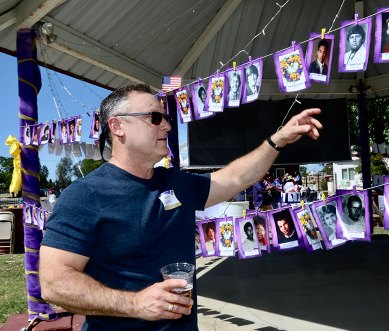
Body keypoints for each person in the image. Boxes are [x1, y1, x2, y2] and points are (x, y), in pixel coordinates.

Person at [39, 83, 322, 330]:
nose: (167, 125)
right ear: (117, 126)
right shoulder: (84, 195)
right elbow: (54, 283)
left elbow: (236, 177)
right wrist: (136, 304)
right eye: (155, 117)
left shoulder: (177, 183)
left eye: (166, 118)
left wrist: (278, 140)